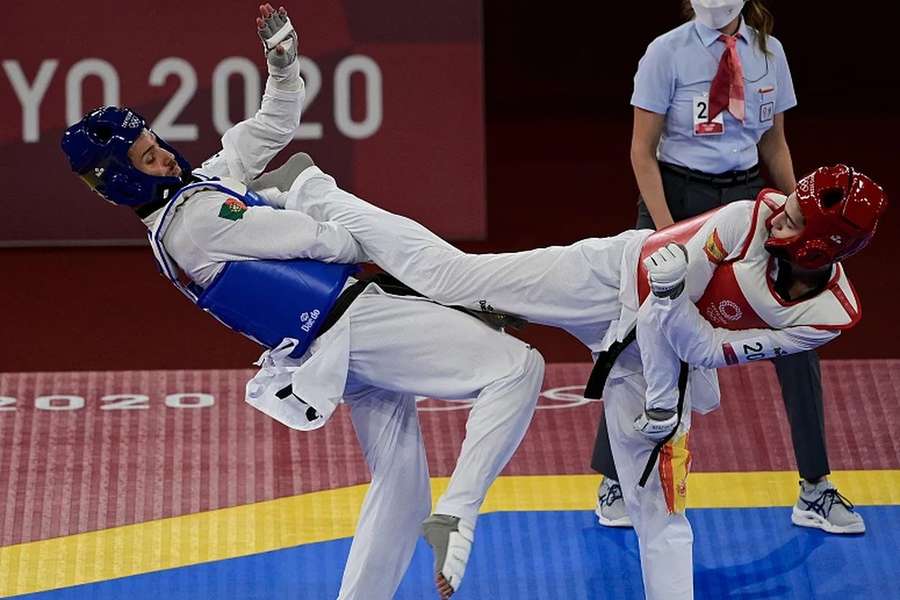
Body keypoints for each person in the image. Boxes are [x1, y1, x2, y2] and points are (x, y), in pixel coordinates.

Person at [60, 6, 544, 600]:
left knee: (401, 488)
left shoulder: (196, 193)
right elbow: (323, 241)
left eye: (155, 142)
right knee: (519, 368)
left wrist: (282, 60)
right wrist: (308, 198)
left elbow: (272, 123)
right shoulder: (196, 222)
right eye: (147, 158)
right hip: (355, 323)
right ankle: (461, 512)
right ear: (123, 181)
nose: (164, 155)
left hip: (328, 350)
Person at [268, 157, 887, 599]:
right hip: (613, 282)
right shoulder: (741, 222)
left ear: (824, 245)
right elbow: (657, 315)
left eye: (798, 217)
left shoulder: (830, 316)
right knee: (454, 277)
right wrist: (667, 376)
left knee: (659, 510)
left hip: (658, 354)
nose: (782, 210)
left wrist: (664, 403)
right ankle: (315, 189)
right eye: (792, 201)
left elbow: (713, 347)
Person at [591, 0, 857, 536]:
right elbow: (641, 154)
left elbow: (774, 142)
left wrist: (797, 213)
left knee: (797, 332)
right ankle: (617, 475)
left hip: (747, 200)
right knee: (644, 334)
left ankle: (814, 486)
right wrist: (669, 237)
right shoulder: (664, 54)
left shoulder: (769, 54)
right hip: (677, 196)